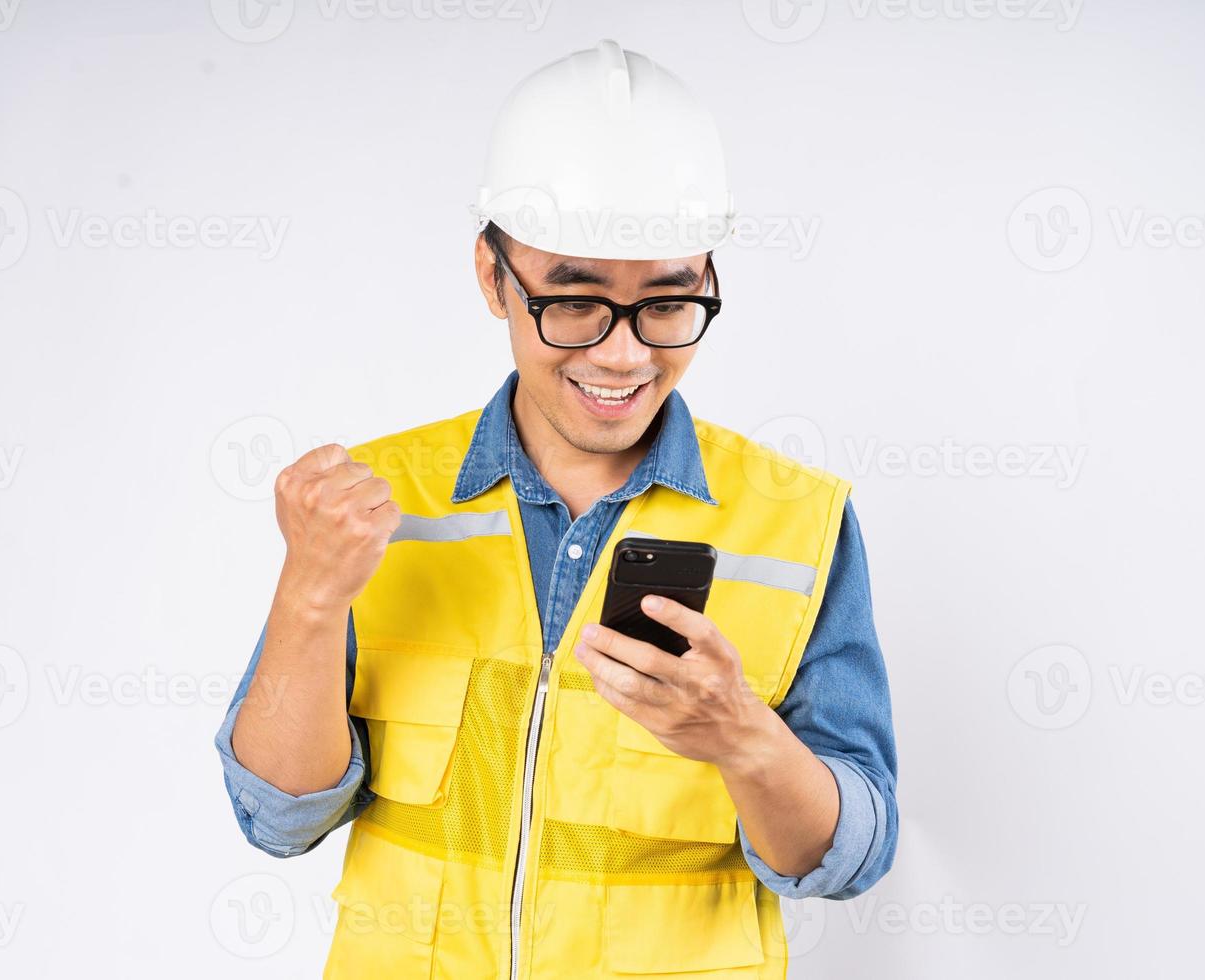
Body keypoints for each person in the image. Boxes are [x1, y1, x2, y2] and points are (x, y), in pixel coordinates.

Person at [214, 38, 898, 979]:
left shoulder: (795, 521)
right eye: (574, 300)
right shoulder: (378, 502)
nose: (623, 356)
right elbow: (280, 817)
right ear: (495, 277)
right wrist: (308, 598)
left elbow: (847, 858)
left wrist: (742, 736)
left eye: (666, 302)